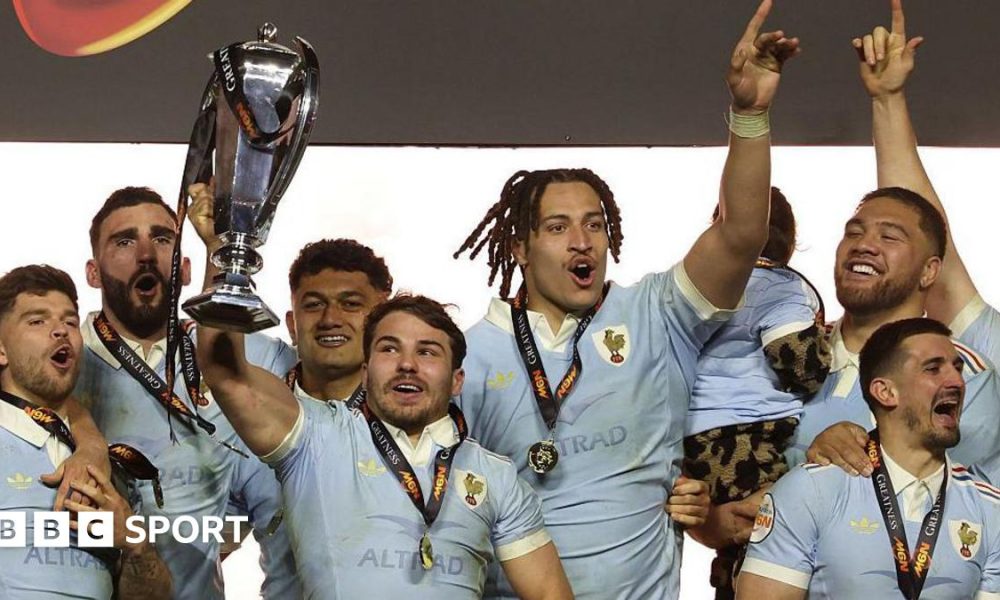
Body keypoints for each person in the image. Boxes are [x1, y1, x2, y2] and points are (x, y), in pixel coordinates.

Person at [451, 2, 798, 596]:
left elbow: (742, 234)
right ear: (519, 247)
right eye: (557, 227)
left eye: (595, 224)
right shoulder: (468, 354)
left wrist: (749, 116)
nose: (582, 241)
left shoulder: (659, 313)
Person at [196, 290, 573, 599]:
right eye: (390, 349)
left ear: (457, 380)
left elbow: (549, 594)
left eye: (427, 351)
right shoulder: (315, 436)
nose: (407, 364)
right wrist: (225, 254)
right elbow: (226, 373)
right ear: (365, 372)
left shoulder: (496, 476)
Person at [786, 0, 1000, 484]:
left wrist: (888, 101)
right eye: (854, 232)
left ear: (930, 271)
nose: (864, 244)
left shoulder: (968, 363)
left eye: (888, 237)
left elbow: (927, 231)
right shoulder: (793, 357)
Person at [72, 186, 300, 599]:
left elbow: (327, 372)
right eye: (124, 242)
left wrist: (220, 246)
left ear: (187, 268)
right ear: (92, 272)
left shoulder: (244, 360)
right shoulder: (61, 364)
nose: (146, 254)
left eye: (162, 239)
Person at [738, 318, 1000, 599]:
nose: (957, 381)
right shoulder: (810, 490)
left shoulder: (990, 510)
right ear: (885, 392)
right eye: (933, 369)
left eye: (957, 368)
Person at [683, 187, 830, 599]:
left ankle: (730, 574)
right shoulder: (780, 287)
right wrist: (823, 345)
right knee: (772, 530)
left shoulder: (694, 284)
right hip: (745, 434)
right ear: (790, 241)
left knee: (744, 530)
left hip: (693, 437)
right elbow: (801, 364)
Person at [0, 264, 172, 599]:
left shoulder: (113, 468)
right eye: (37, 321)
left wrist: (135, 545)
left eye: (69, 321)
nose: (60, 331)